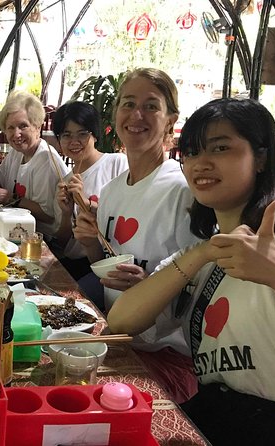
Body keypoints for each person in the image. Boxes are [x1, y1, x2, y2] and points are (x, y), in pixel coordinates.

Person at [108, 98, 275, 445]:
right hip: (218, 415)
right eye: (191, 153)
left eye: (221, 148)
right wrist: (204, 251)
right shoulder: (202, 255)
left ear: (261, 158)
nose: (200, 164)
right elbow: (121, 322)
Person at [73, 68, 200, 403]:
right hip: (118, 336)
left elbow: (199, 290)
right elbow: (105, 268)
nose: (137, 115)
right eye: (128, 104)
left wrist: (149, 285)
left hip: (166, 353)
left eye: (151, 106)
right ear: (115, 116)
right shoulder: (112, 191)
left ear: (171, 119)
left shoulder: (182, 191)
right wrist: (89, 243)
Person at [52, 100, 128, 289]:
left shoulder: (117, 164)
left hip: (111, 264)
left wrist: (86, 203)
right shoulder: (65, 181)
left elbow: (127, 215)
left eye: (82, 134)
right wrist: (66, 213)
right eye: (66, 135)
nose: (74, 142)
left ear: (95, 136)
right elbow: (62, 243)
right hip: (75, 263)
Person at [0, 90, 70, 236]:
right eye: (10, 128)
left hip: (42, 238)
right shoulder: (16, 152)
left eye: (23, 126)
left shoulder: (46, 160)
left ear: (37, 127)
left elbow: (48, 215)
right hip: (15, 228)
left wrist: (9, 197)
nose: (16, 134)